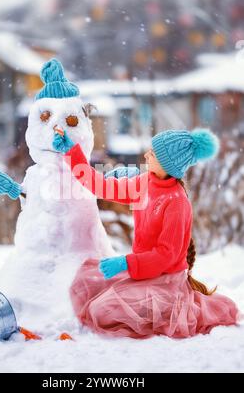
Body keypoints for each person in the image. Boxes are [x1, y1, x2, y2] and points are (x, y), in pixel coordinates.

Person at [52, 127, 240, 339]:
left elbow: (165, 256)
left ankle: (166, 311)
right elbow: (101, 186)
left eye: (152, 152)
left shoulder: (177, 203)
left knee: (101, 311)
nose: (146, 155)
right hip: (142, 272)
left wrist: (126, 263)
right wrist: (72, 153)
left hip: (165, 281)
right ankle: (142, 305)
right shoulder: (144, 183)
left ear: (167, 163)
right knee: (85, 282)